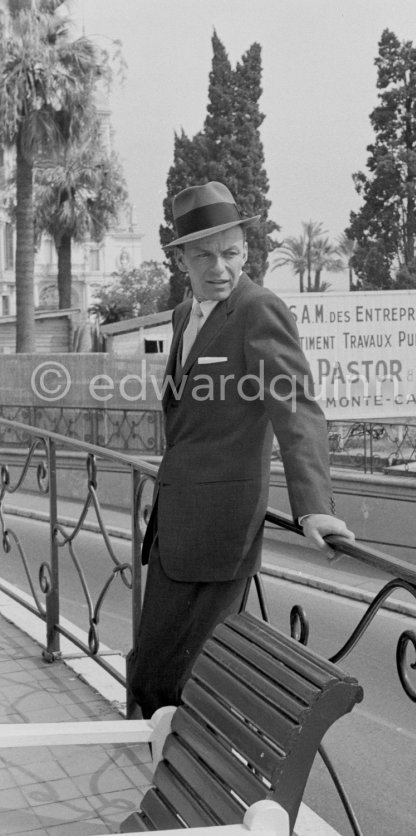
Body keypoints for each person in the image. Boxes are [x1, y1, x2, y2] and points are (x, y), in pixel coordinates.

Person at [127, 181, 354, 718]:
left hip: (222, 531)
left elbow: (294, 405)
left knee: (181, 681)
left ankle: (204, 793)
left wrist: (315, 508)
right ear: (181, 258)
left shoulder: (258, 309)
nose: (219, 267)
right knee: (150, 674)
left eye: (230, 252)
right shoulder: (185, 315)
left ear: (246, 252)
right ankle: (179, 784)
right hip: (175, 524)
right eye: (203, 254)